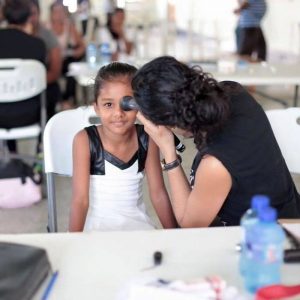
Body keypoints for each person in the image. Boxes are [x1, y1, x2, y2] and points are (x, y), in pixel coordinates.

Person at [132, 56, 300, 227]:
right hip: (289, 213)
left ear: (170, 122)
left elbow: (189, 225)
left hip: (266, 240)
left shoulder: (215, 165)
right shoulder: (233, 92)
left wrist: (168, 149)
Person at [69, 61, 177, 232]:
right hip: (98, 230)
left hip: (139, 228)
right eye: (108, 104)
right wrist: (72, 241)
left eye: (127, 104)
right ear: (96, 107)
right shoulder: (84, 140)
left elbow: (158, 194)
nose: (118, 113)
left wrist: (176, 234)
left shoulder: (146, 138)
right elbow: (80, 200)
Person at [0, 0, 46, 152]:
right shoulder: (37, 45)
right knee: (50, 91)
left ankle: (11, 154)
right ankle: (39, 155)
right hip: (28, 114)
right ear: (29, 18)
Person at [49, 1, 86, 109]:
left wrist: (74, 52)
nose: (60, 14)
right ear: (51, 13)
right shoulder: (46, 27)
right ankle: (58, 100)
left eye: (62, 11)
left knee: (72, 68)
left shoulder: (69, 26)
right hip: (51, 61)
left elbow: (82, 47)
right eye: (57, 12)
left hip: (65, 61)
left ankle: (68, 99)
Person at [29, 0, 62, 120]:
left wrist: (32, 83)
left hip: (43, 85)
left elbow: (55, 71)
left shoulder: (47, 36)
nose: (30, 18)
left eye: (33, 13)